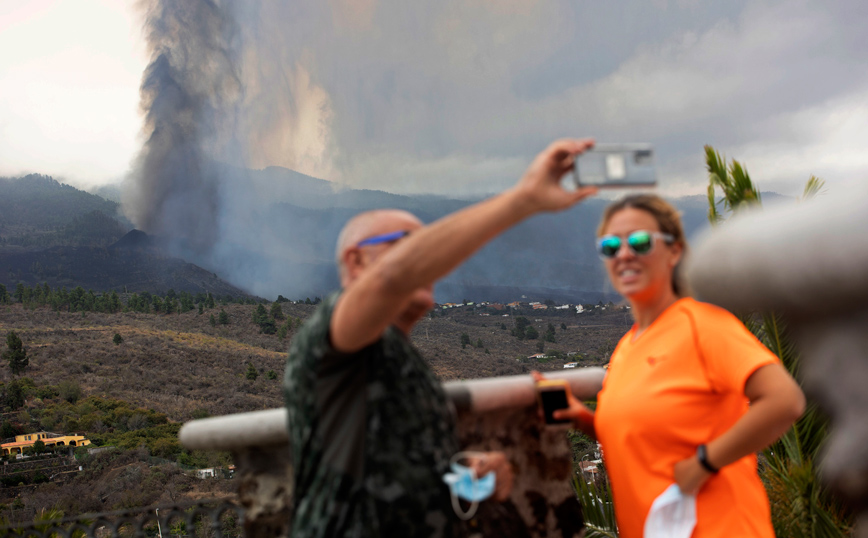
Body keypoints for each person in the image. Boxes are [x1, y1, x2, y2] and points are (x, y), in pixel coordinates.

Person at [284, 139, 599, 537]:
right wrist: (523, 200)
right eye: (409, 247)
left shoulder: (400, 355)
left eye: (426, 248)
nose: (427, 263)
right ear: (355, 261)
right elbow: (391, 278)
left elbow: (388, 458)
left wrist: (470, 468)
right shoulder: (329, 338)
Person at [547, 194, 806, 538]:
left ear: (674, 251)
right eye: (610, 246)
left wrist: (704, 463)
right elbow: (644, 438)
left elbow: (784, 400)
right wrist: (582, 419)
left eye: (640, 242)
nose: (624, 253)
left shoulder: (703, 325)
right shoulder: (627, 348)